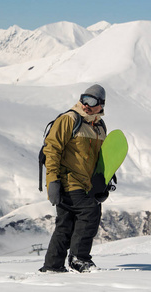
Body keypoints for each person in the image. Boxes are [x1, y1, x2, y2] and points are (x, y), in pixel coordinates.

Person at [39, 84, 107, 273]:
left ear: (101, 105)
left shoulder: (100, 127)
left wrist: (103, 183)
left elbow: (101, 159)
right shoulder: (69, 119)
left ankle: (52, 266)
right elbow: (52, 149)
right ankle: (79, 259)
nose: (86, 105)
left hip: (87, 184)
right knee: (90, 212)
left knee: (66, 223)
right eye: (84, 99)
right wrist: (52, 181)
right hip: (68, 180)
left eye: (91, 101)